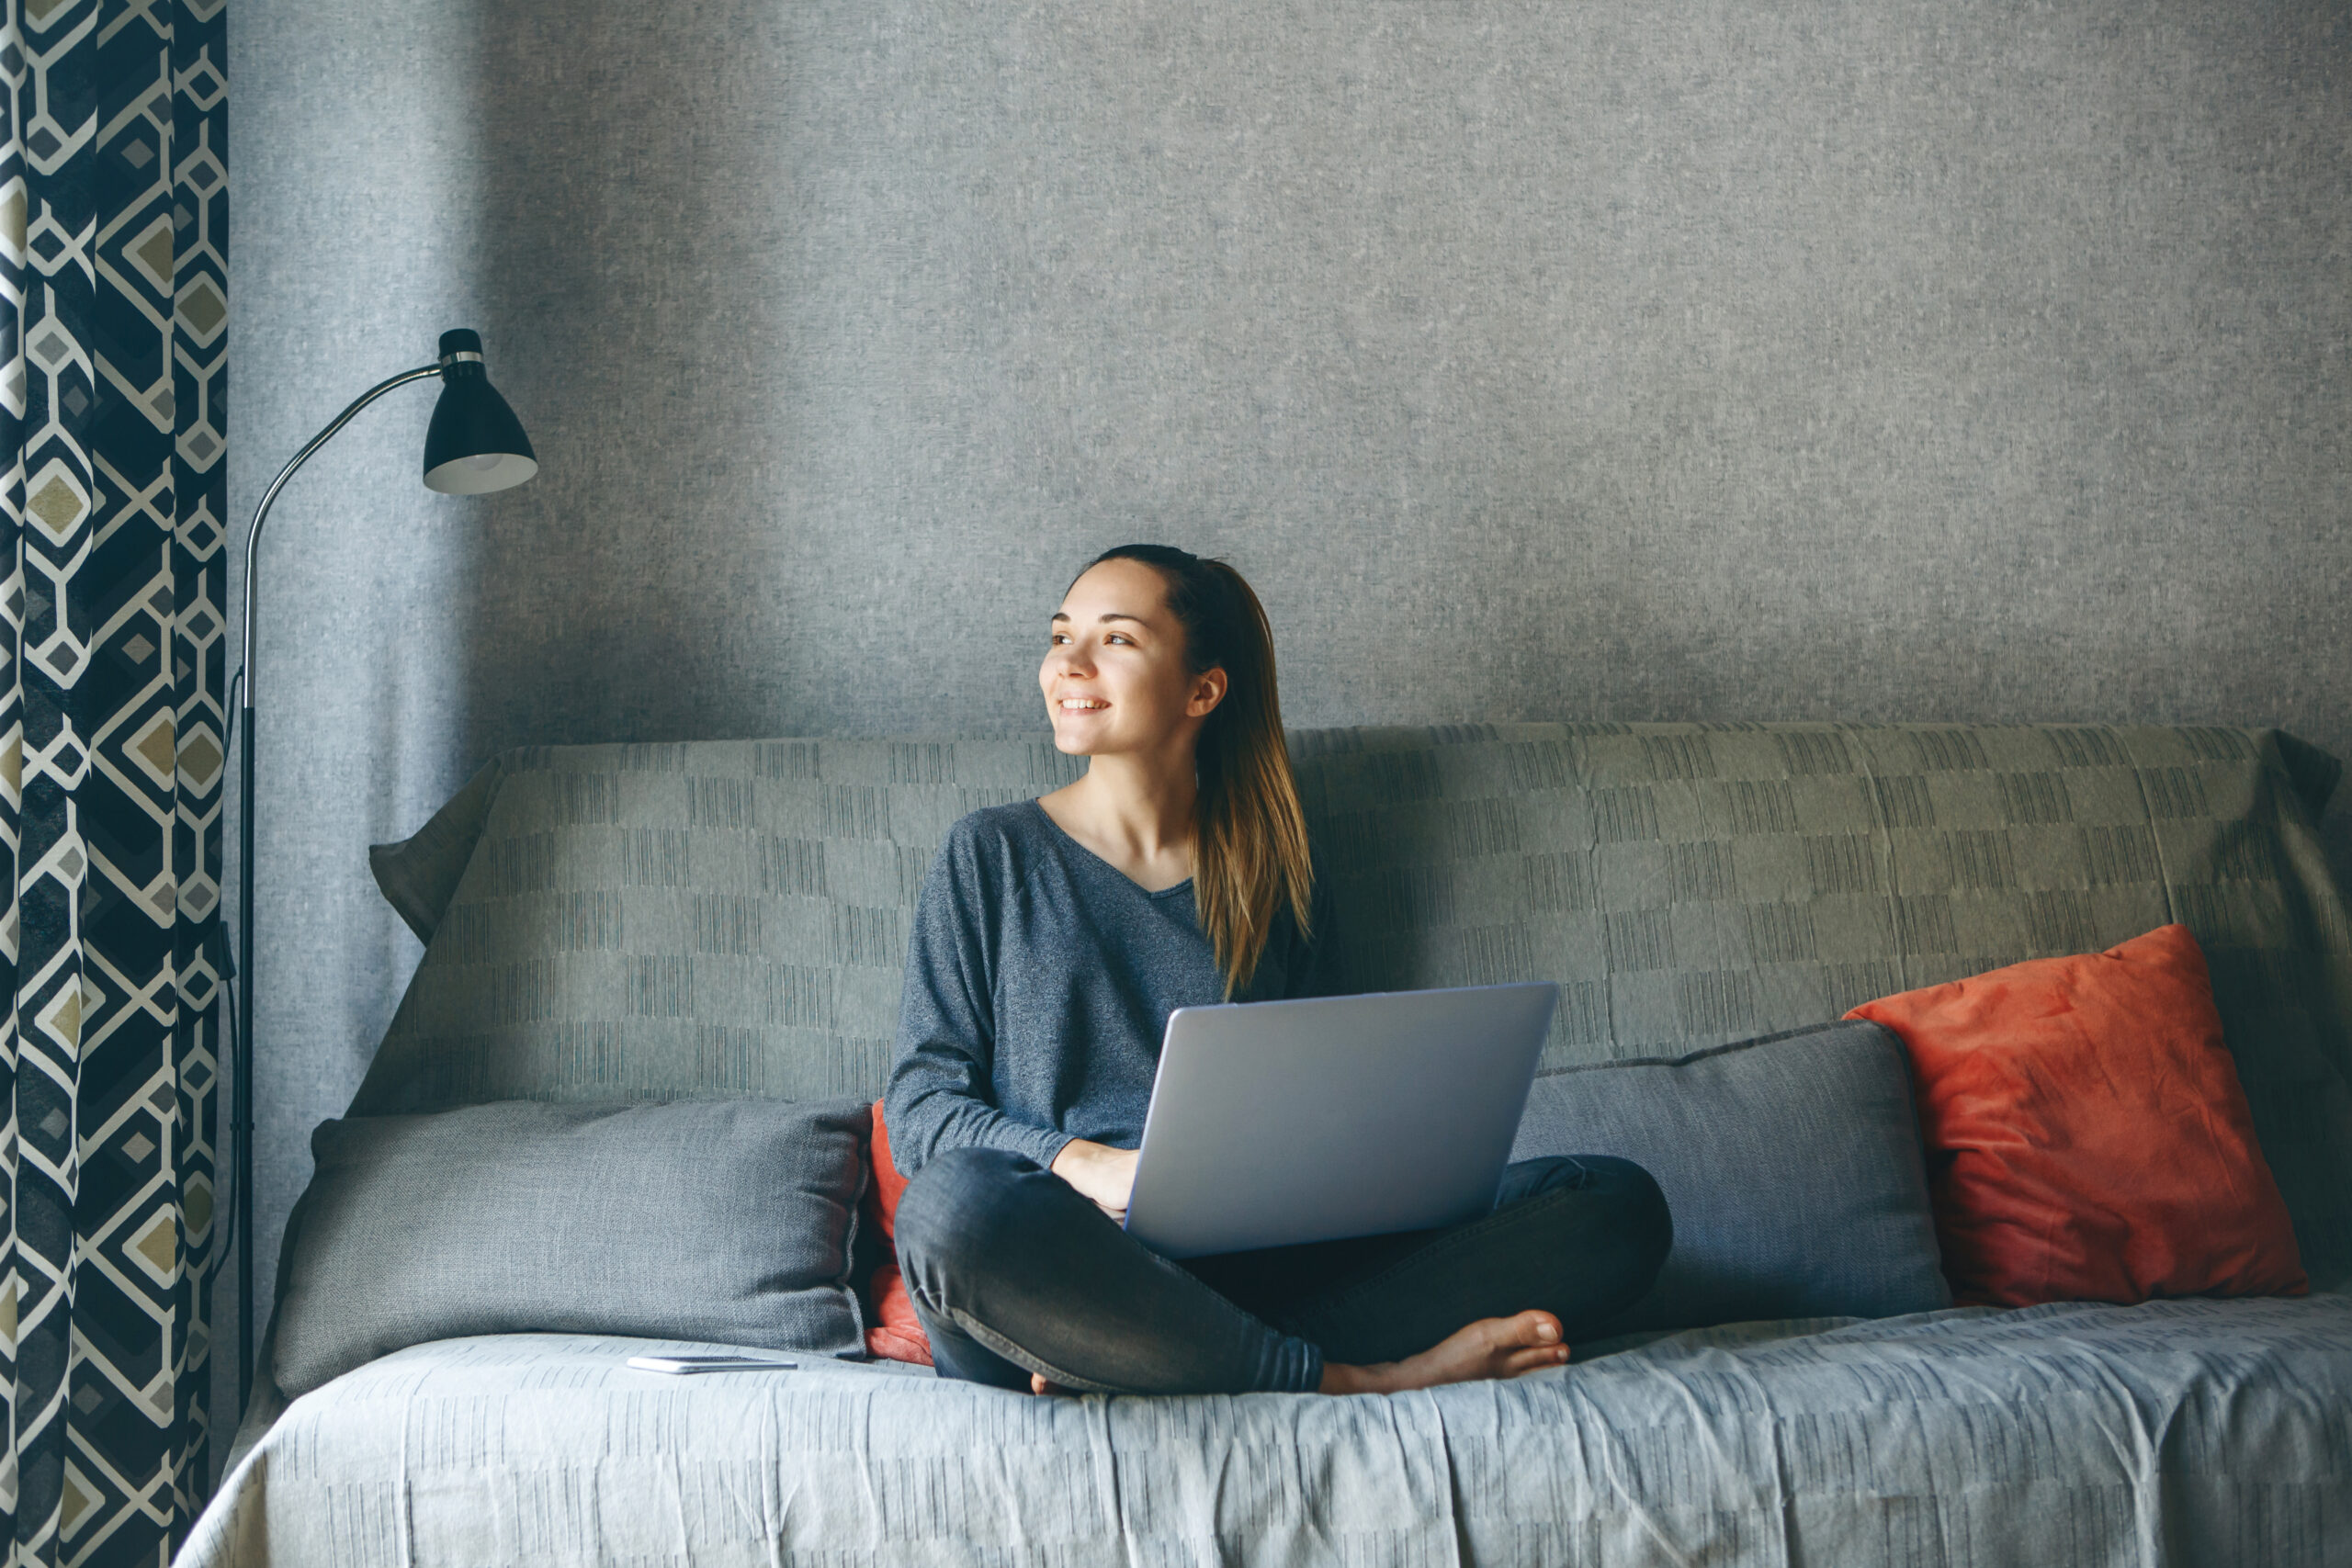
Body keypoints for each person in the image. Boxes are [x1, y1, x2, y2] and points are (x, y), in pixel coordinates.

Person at [884, 544, 1670, 1396]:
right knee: (952, 1211)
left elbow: (1320, 1108)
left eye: (1115, 639)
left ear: (1203, 690)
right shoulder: (989, 854)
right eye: (1061, 634)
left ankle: (1148, 1357)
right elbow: (924, 1111)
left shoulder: (1276, 873)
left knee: (1614, 1200)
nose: (1066, 663)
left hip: (1250, 1266)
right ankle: (1356, 1376)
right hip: (1054, 1261)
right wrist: (1087, 1162)